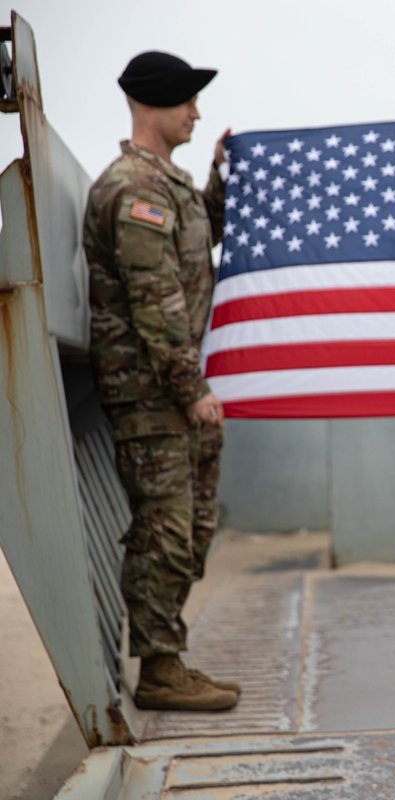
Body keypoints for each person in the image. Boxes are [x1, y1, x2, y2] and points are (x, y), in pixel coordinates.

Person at [84, 51, 238, 711]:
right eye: (187, 103)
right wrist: (190, 389)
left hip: (170, 391)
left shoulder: (165, 184)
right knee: (165, 527)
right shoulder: (134, 188)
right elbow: (155, 302)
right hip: (151, 393)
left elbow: (194, 248)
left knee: (194, 523)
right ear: (153, 104)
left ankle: (169, 658)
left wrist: (220, 184)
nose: (196, 113)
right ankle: (160, 671)